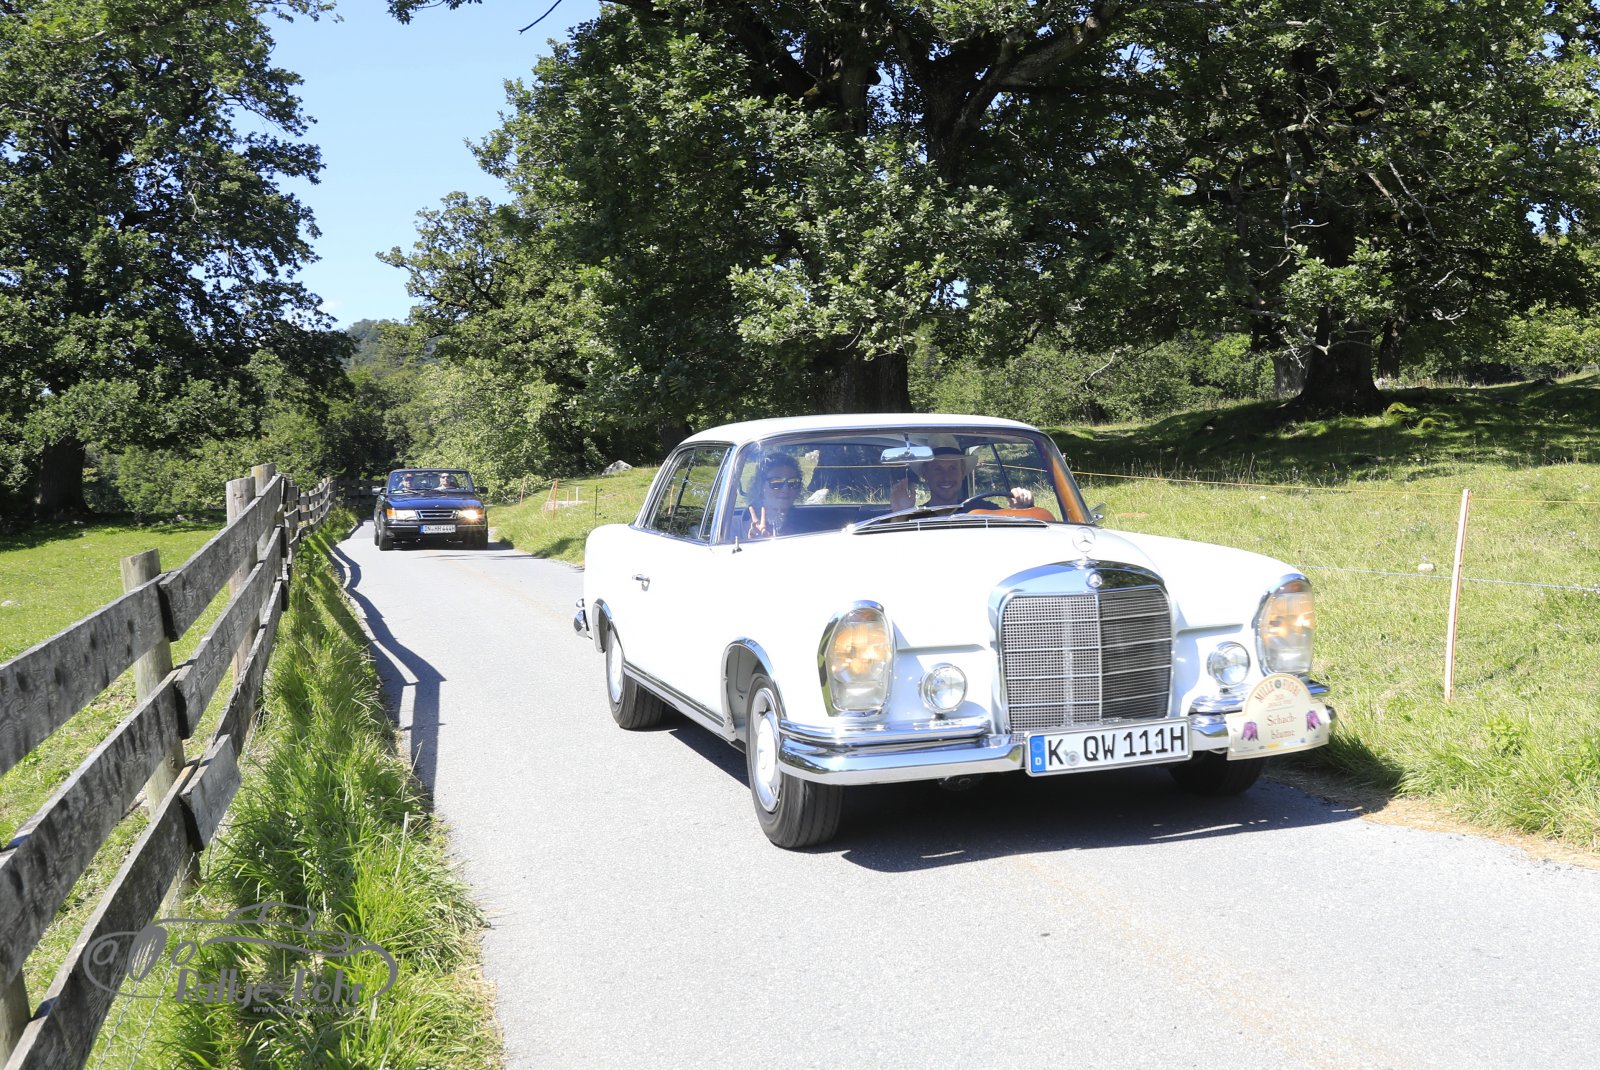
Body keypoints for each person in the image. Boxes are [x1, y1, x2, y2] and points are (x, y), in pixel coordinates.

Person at [890, 438, 1034, 511]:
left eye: (953, 468)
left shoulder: (984, 510)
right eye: (938, 469)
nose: (946, 477)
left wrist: (1021, 507)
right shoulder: (916, 517)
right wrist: (902, 513)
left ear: (962, 472)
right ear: (925, 474)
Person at [743, 453, 803, 538]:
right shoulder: (744, 522)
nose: (786, 489)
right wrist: (753, 541)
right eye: (776, 483)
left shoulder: (805, 520)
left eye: (793, 482)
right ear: (761, 486)